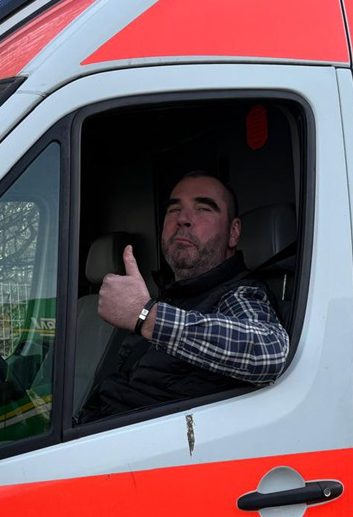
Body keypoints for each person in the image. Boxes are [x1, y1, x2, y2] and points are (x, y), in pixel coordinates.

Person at [77, 171, 289, 423]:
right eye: (174, 210)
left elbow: (270, 351)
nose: (183, 219)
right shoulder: (171, 297)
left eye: (203, 209)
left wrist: (148, 317)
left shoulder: (240, 293)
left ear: (233, 232)